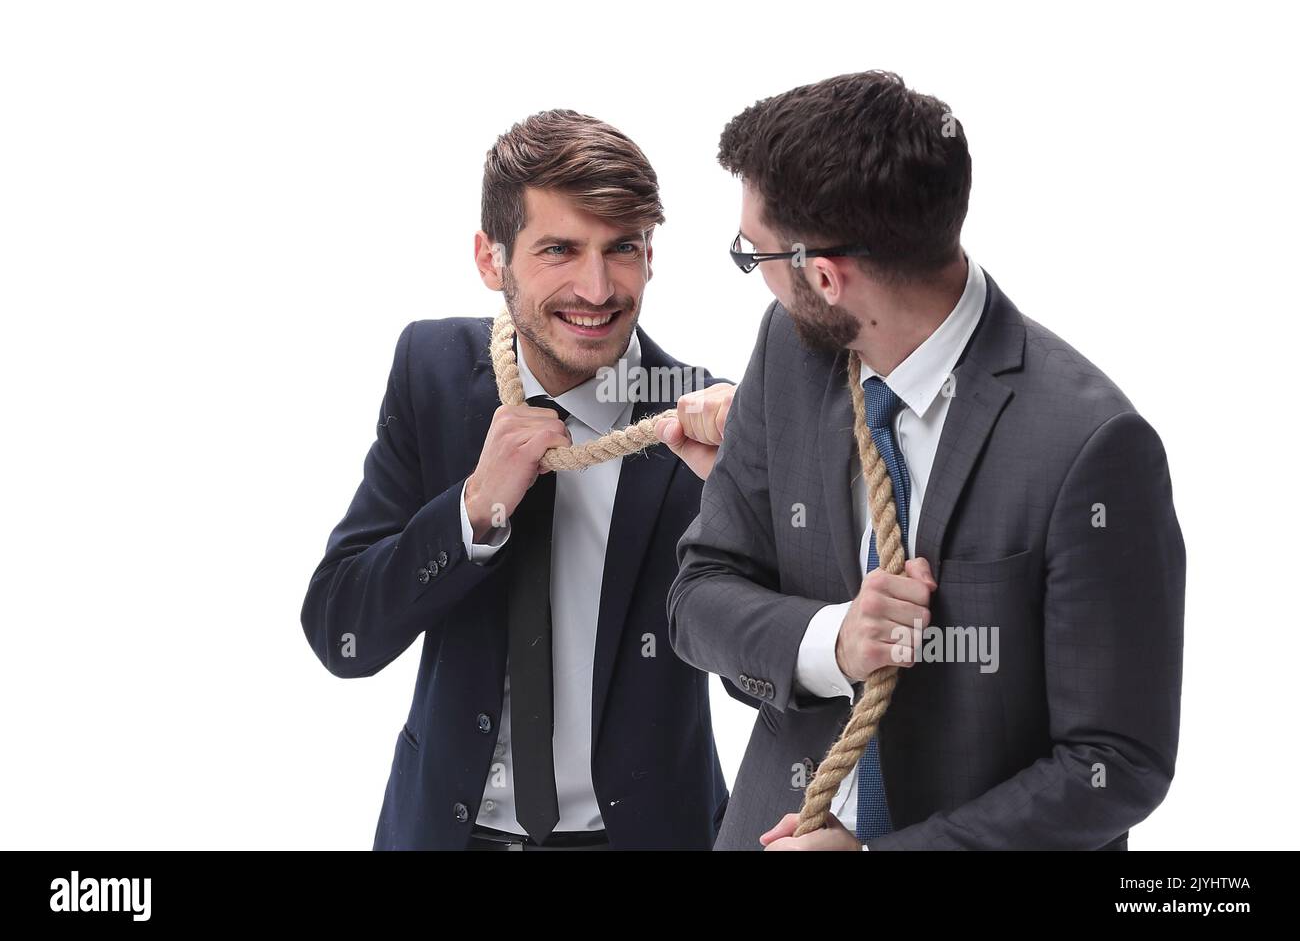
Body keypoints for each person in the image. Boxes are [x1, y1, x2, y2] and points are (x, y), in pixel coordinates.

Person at [667, 71, 1186, 850]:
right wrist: (832, 640)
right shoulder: (791, 355)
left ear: (825, 276)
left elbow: (1115, 764)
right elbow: (698, 597)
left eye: (756, 255)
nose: (761, 281)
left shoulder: (1093, 446)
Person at [301, 109, 741, 850]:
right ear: (490, 259)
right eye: (560, 249)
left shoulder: (708, 420)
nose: (597, 288)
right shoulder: (432, 371)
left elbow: (754, 678)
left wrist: (745, 499)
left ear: (651, 254)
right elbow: (342, 631)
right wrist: (472, 509)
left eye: (621, 248)